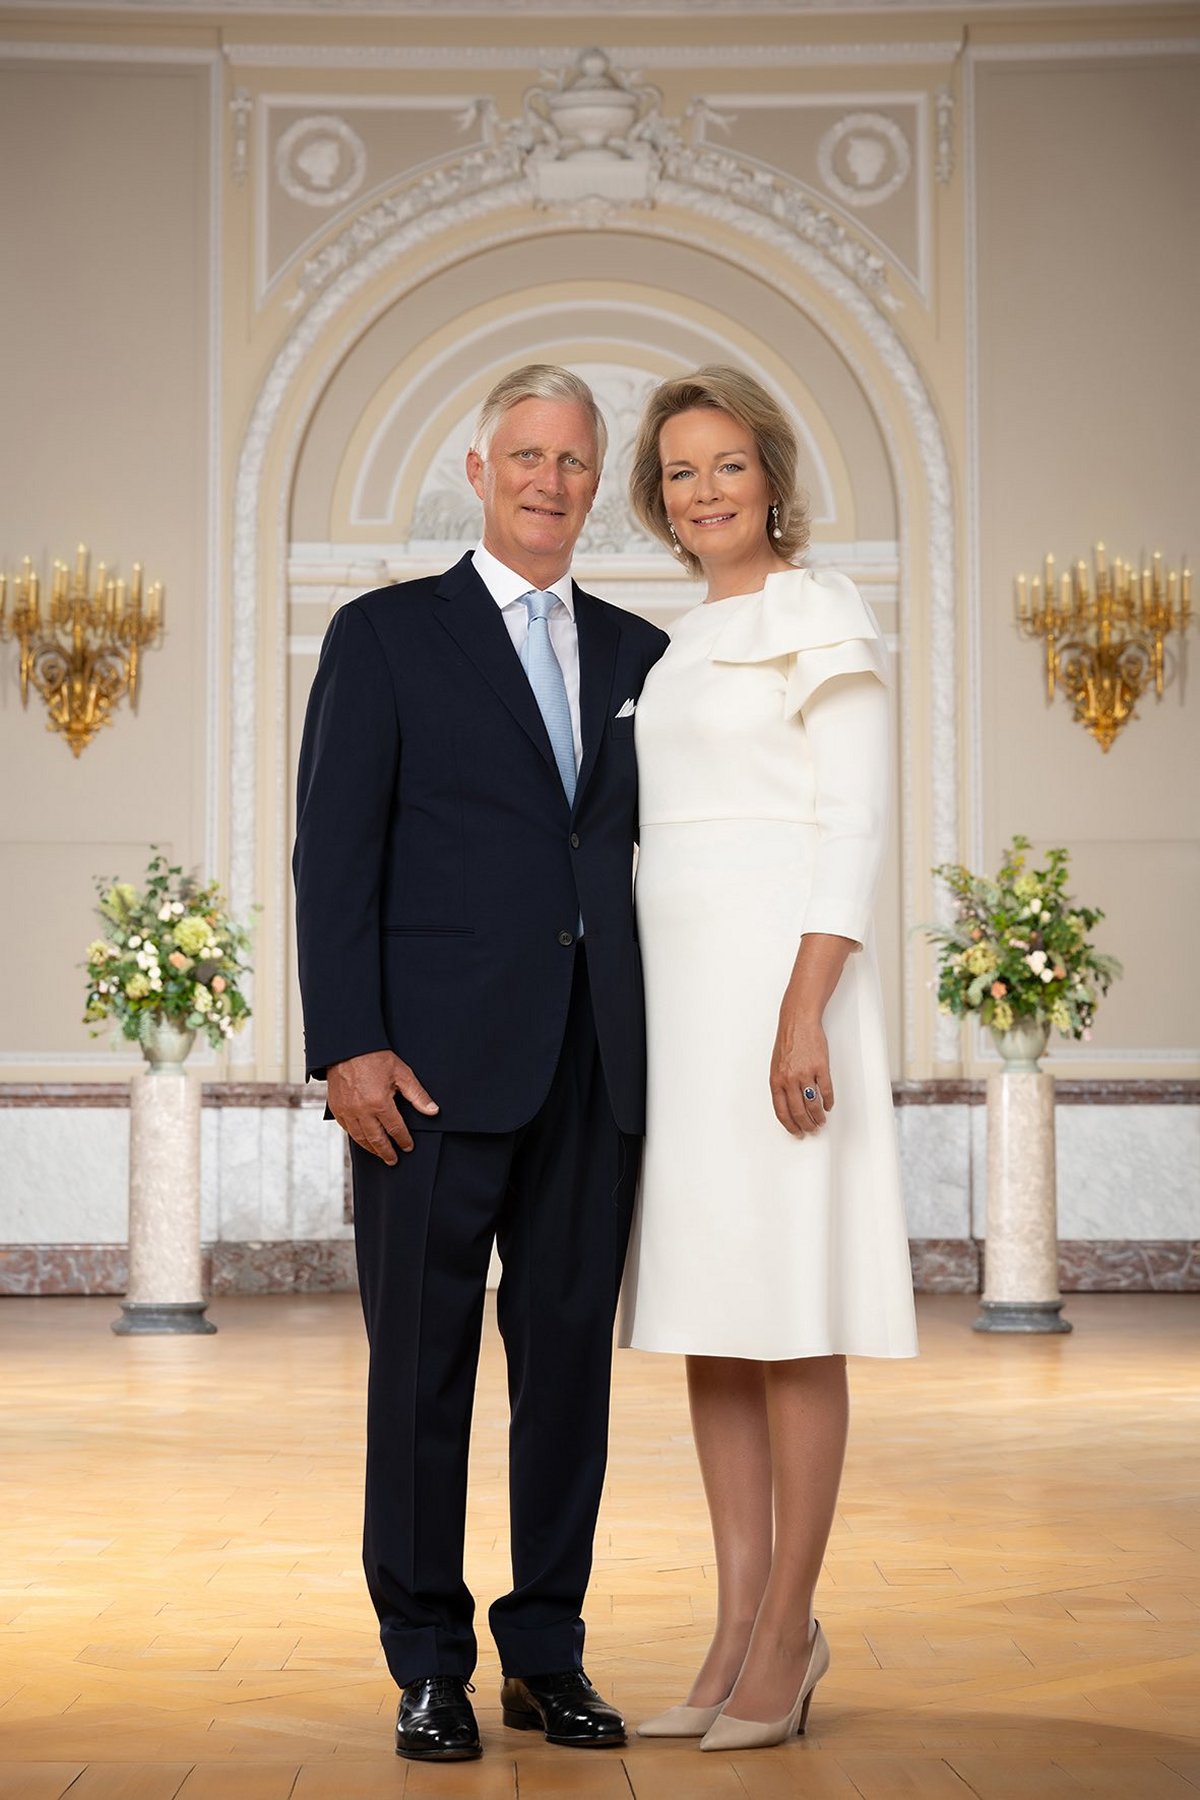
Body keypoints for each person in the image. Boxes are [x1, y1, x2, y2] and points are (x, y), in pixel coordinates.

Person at [293, 365, 669, 1763]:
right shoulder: (387, 637)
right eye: (527, 455)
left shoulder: (642, 655)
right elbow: (332, 856)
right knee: (424, 1376)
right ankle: (428, 1662)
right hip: (427, 1078)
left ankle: (547, 1652)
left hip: (593, 1075)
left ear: (595, 483)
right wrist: (347, 1046)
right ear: (477, 468)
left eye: (574, 461)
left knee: (567, 1374)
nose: (550, 481)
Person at [620, 366, 918, 1753]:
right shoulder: (678, 643)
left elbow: (851, 828)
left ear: (771, 476)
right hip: (682, 1014)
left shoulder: (821, 611)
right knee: (714, 1319)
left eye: (727, 463)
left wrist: (804, 1013)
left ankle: (790, 1629)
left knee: (792, 1311)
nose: (706, 490)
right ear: (660, 501)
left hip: (781, 999)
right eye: (681, 472)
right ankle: (733, 1624)